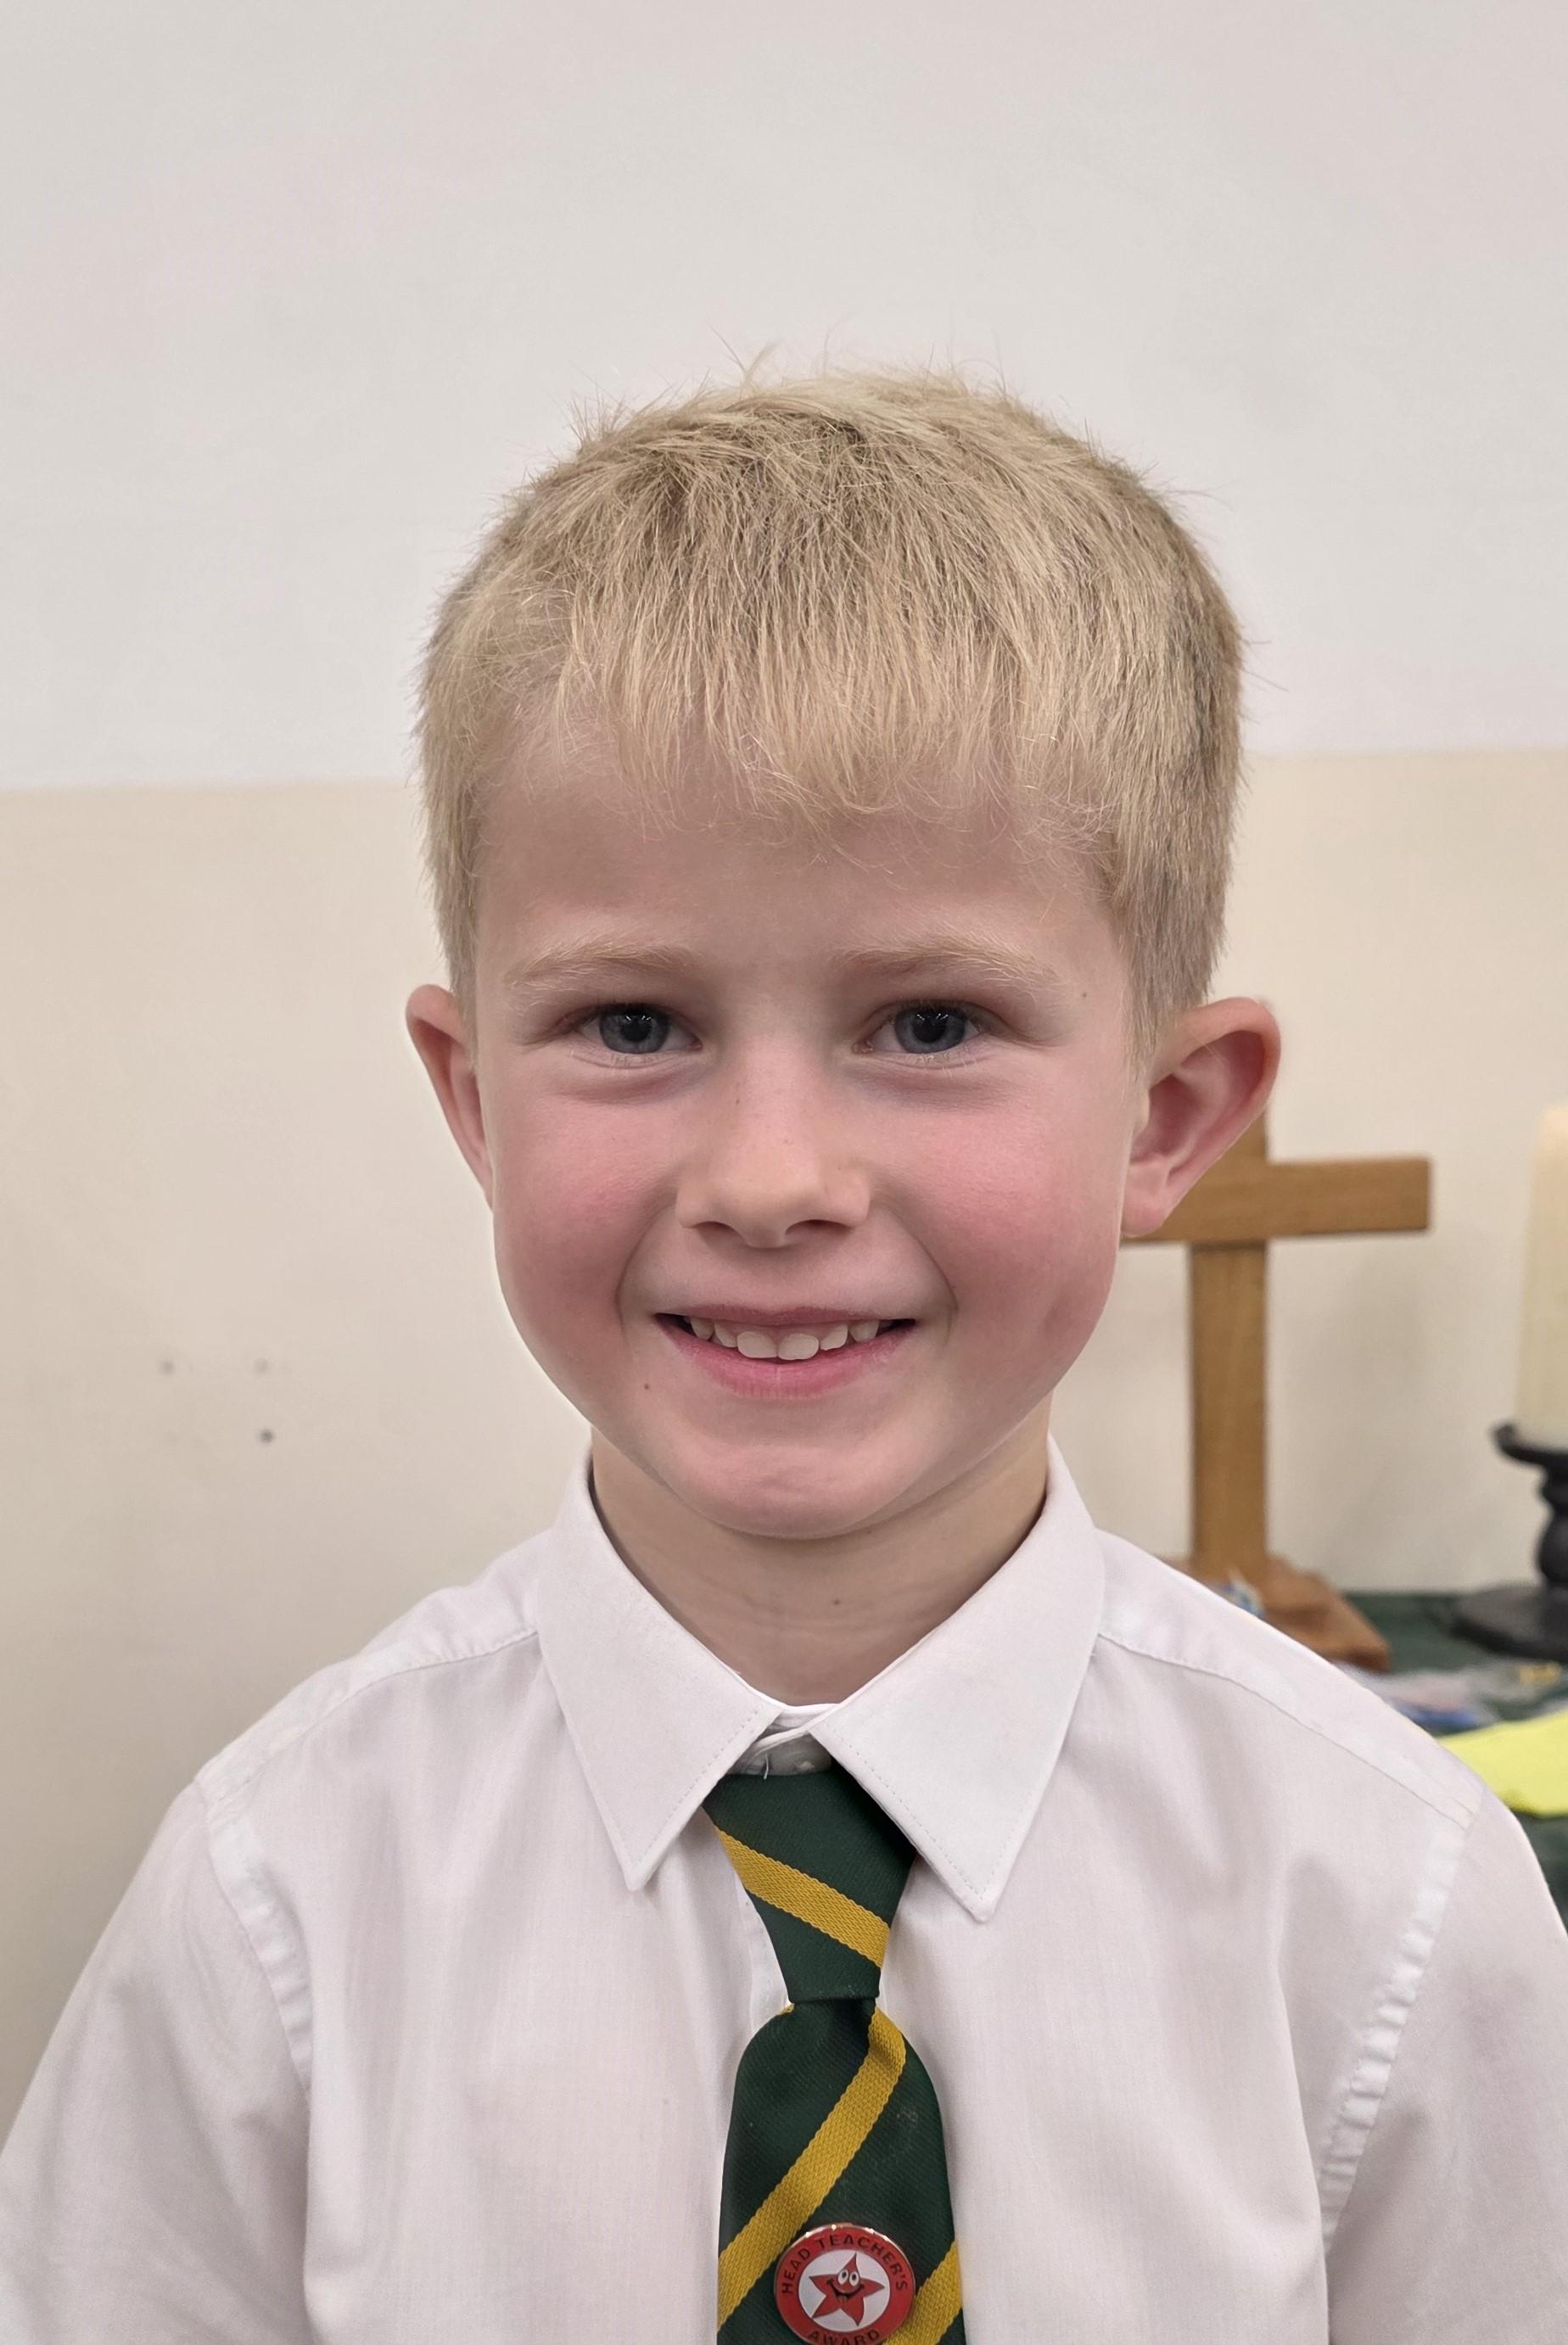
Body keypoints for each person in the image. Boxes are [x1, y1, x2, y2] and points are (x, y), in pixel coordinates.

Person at [3, 365, 1566, 2344]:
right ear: (475, 1099)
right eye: (635, 1025)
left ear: (1167, 1116)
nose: (769, 1179)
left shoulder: (1394, 1903)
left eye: (930, 1024)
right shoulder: (276, 1899)